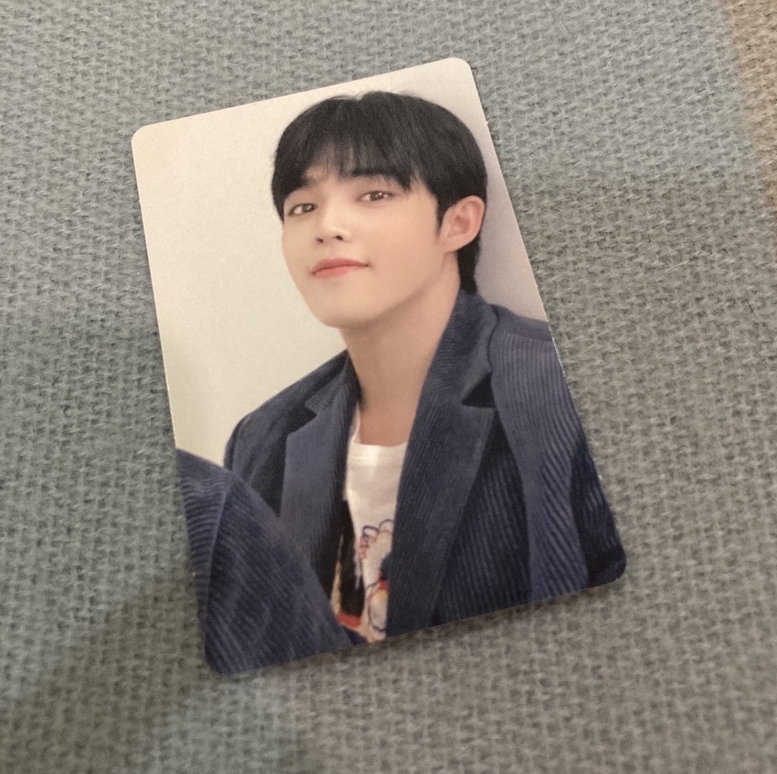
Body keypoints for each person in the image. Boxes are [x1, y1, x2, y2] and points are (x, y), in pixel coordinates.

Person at [182, 91, 625, 673]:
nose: (327, 226)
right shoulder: (264, 436)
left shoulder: (560, 387)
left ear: (458, 222)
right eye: (302, 206)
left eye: (374, 195)